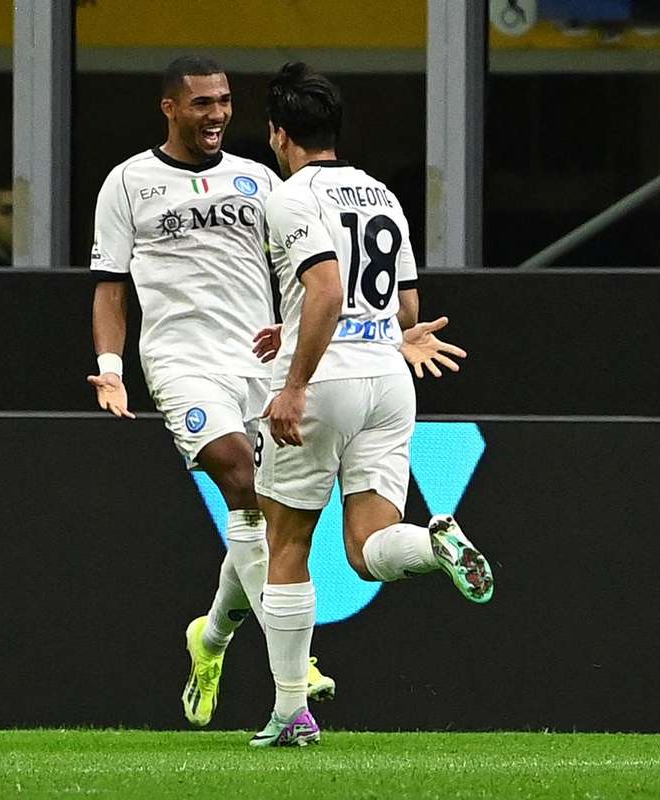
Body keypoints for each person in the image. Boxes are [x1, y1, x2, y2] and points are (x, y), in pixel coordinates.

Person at [87, 55, 337, 729]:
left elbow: (301, 268)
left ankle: (212, 636)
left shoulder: (257, 180)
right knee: (238, 474)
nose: (218, 114)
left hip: (256, 362)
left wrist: (290, 328)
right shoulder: (129, 183)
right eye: (202, 103)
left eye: (225, 101)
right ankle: (295, 663)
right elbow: (109, 287)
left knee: (263, 515)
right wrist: (111, 366)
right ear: (170, 108)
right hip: (180, 360)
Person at [249, 63, 491, 748]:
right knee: (367, 549)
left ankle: (292, 713)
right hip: (389, 378)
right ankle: (435, 541)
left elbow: (325, 290)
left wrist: (293, 380)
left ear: (278, 133)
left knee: (288, 541)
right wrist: (381, 331)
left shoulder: (290, 196)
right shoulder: (380, 192)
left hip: (325, 382)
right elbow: (403, 304)